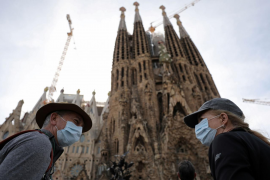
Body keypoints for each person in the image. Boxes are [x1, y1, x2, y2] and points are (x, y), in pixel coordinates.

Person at [183, 98, 270, 180]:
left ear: (223, 118)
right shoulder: (257, 142)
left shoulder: (224, 140)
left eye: (202, 120)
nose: (198, 127)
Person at [0, 103, 92, 180]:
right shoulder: (39, 143)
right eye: (76, 122)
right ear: (54, 119)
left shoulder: (40, 142)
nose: (79, 131)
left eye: (81, 128)